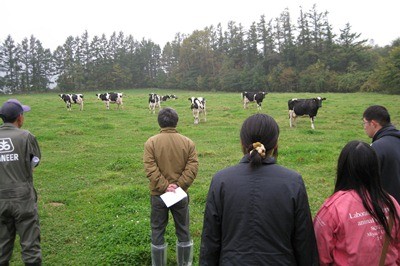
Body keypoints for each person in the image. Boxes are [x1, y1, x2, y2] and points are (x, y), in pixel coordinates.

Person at [199, 113, 319, 265]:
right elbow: (304, 242)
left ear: (242, 142)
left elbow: (210, 242)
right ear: (276, 144)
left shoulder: (221, 180)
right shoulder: (293, 181)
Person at [314, 140, 400, 265]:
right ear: (375, 168)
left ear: (343, 168)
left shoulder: (333, 209)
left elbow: (321, 255)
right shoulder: (391, 202)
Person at [143, 107, 198, 266]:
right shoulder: (188, 142)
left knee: (157, 230)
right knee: (183, 230)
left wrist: (165, 186)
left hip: (158, 195)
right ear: (176, 122)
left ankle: (158, 263)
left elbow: (150, 168)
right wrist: (178, 186)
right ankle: (185, 263)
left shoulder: (151, 143)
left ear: (159, 122)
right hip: (180, 194)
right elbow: (193, 166)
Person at [0, 99, 42, 266]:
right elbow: (34, 162)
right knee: (30, 246)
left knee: (1, 247)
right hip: (22, 198)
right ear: (19, 117)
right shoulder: (26, 137)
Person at [363, 105, 400, 204]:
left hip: (390, 207)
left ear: (373, 124)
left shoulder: (376, 148)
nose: (364, 127)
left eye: (365, 123)